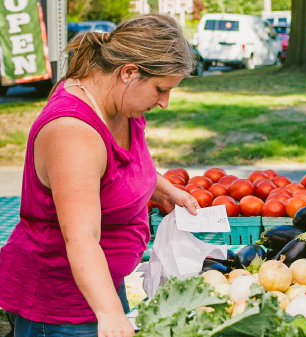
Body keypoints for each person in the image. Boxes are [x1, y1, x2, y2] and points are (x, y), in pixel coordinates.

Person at [0, 14, 200, 337]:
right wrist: (109, 312)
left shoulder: (120, 104)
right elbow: (80, 237)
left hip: (104, 290)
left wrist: (164, 191)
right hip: (62, 312)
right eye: (161, 89)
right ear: (129, 73)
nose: (164, 102)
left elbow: (120, 168)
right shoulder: (73, 132)